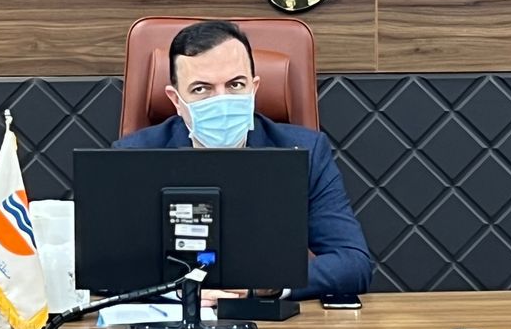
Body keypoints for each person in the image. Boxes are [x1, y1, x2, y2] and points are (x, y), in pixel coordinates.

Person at [115, 20, 374, 299]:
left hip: (264, 319)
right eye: (201, 89)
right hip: (171, 319)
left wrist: (268, 283)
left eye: (235, 85)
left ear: (254, 88)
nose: (222, 101)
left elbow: (352, 263)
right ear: (176, 100)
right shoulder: (131, 157)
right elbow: (103, 270)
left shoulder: (306, 151)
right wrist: (178, 291)